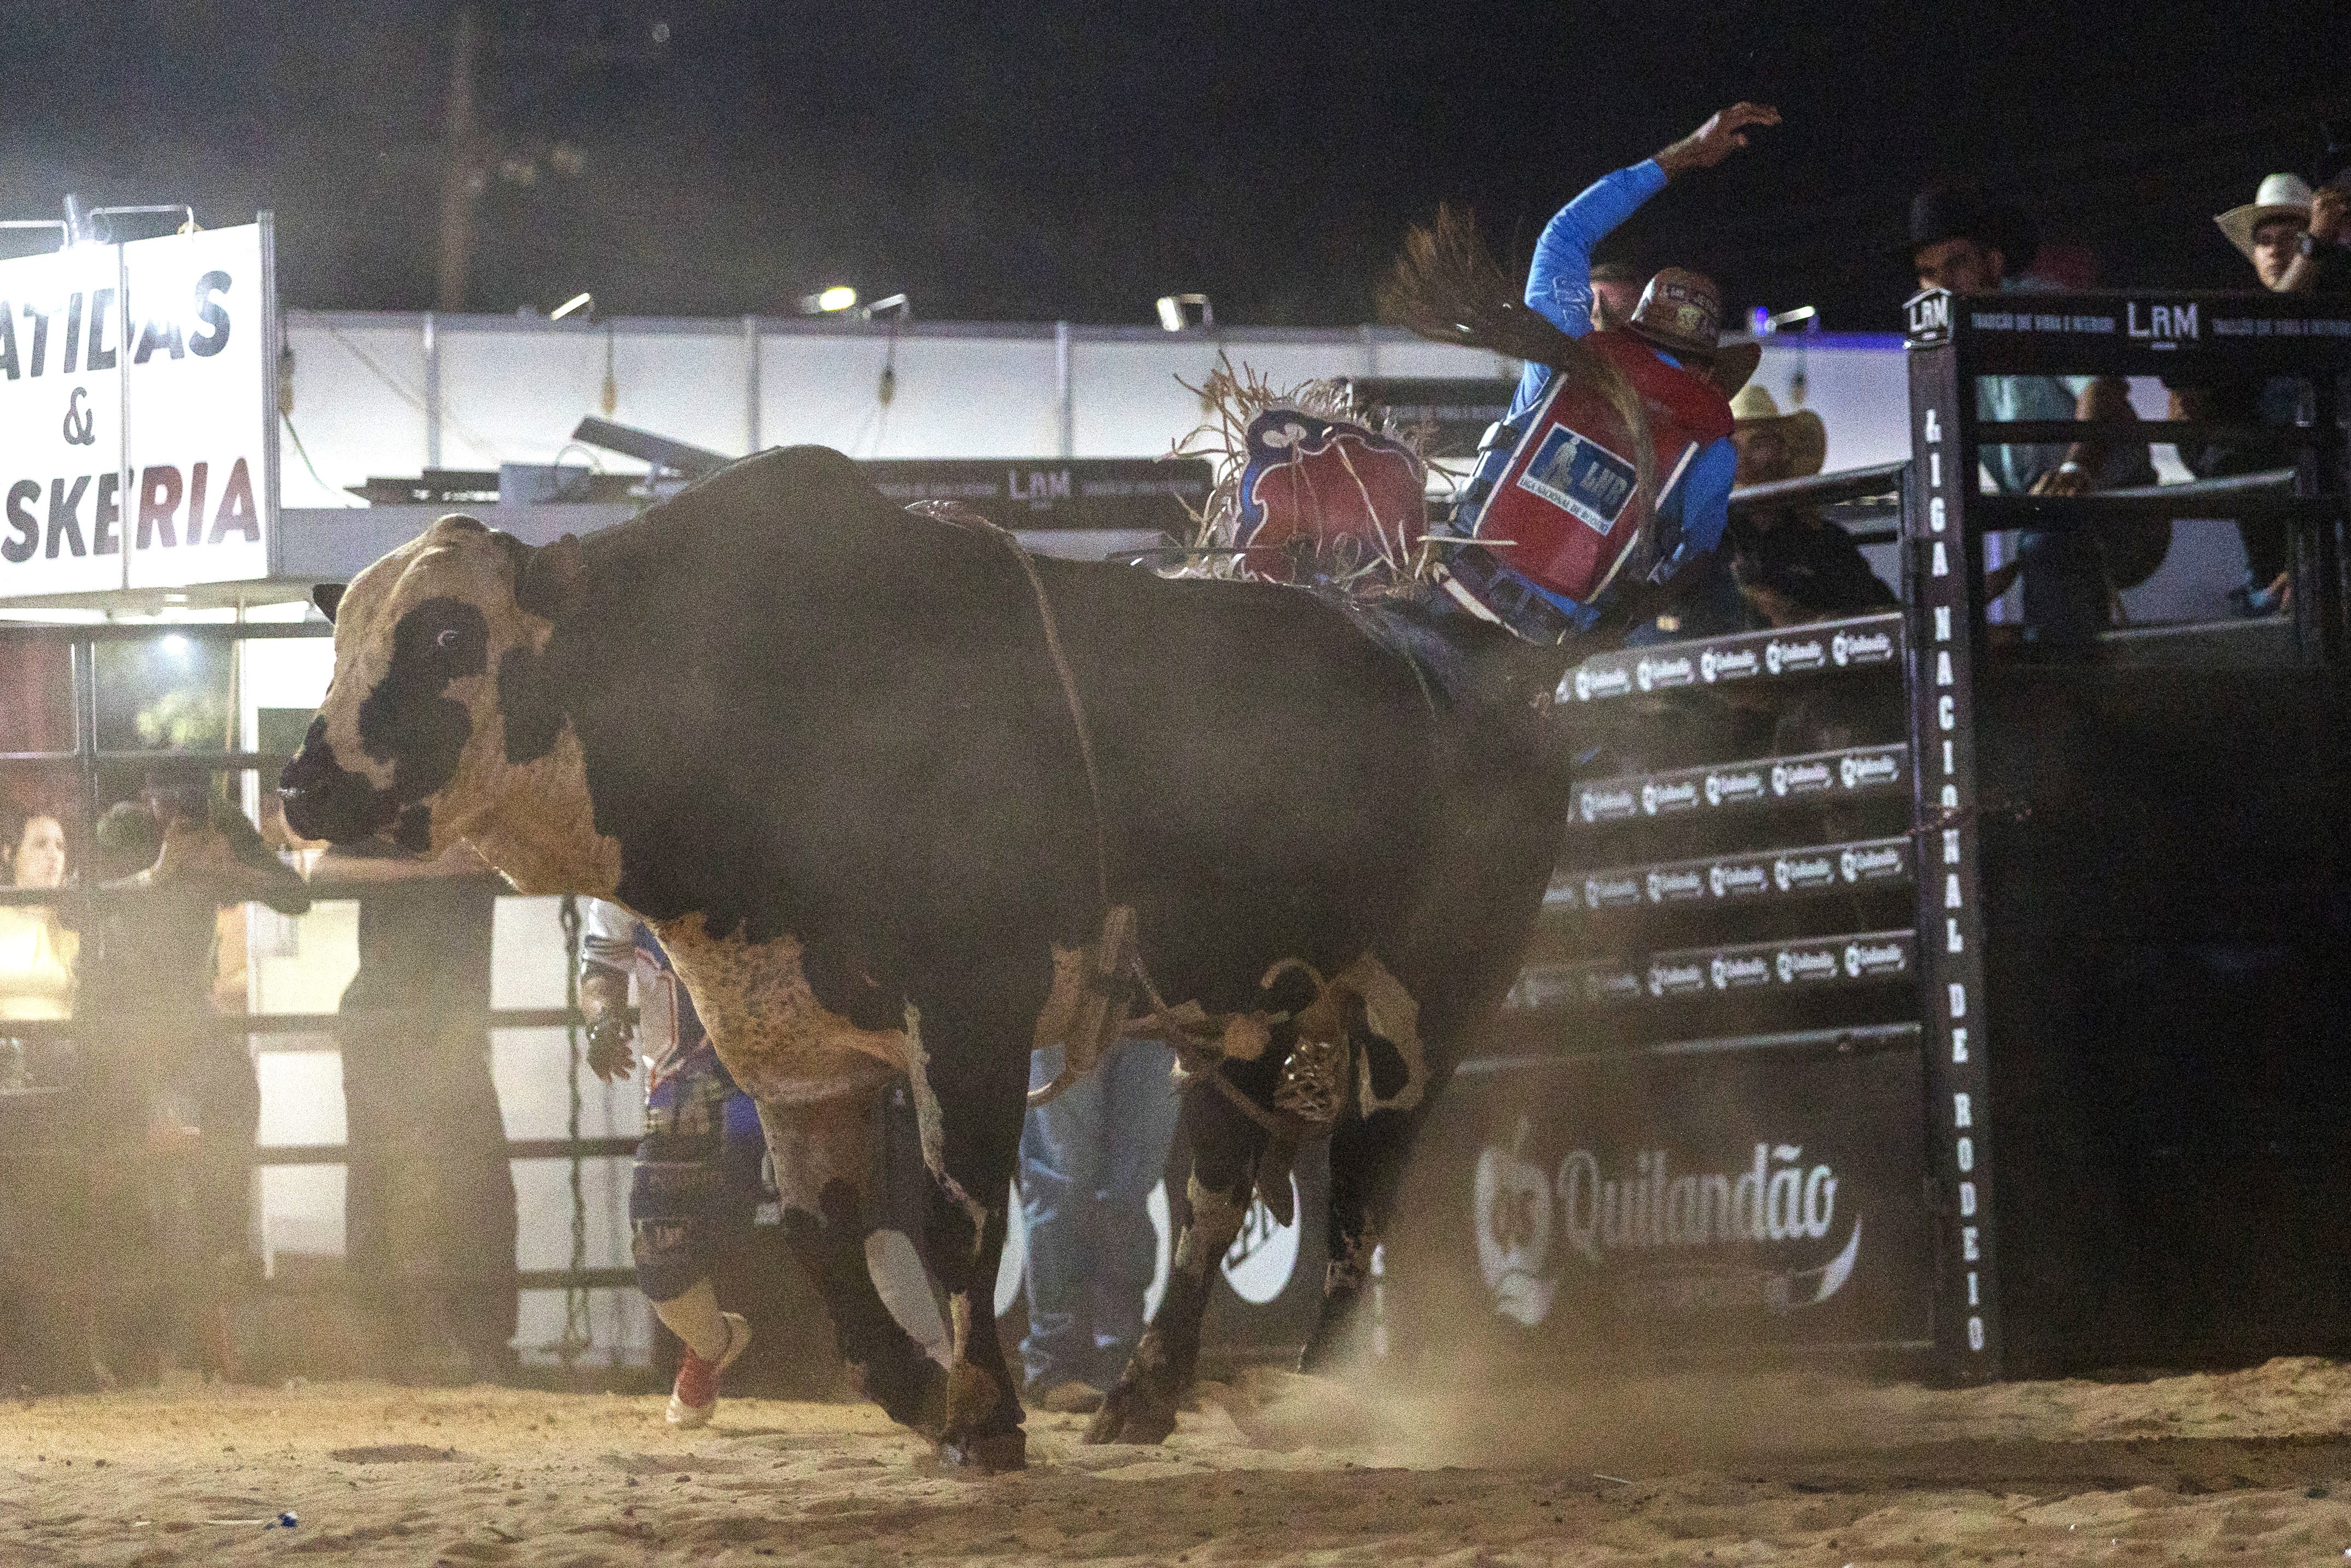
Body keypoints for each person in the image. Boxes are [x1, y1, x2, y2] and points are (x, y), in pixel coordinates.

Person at [1435, 102, 1778, 643]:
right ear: (1708, 370)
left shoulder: (1569, 353)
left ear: (1635, 328)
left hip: (1454, 588)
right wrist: (1595, 641)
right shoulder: (1711, 446)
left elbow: (1565, 235)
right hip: (1544, 642)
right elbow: (1690, 563)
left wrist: (1682, 156)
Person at [77, 774, 312, 1380]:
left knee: (235, 1094)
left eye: (189, 799)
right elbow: (82, 903)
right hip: (122, 1016)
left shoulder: (221, 825)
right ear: (151, 797)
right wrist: (161, 873)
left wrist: (229, 872)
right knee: (129, 1162)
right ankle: (135, 1337)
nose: (177, 811)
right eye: (169, 798)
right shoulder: (123, 825)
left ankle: (219, 1251)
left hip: (185, 1014)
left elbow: (292, 895)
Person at [1906, 184, 2157, 642]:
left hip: (2121, 505)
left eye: (1957, 263)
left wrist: (2076, 467)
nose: (1940, 285)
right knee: (2026, 554)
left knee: (2046, 548)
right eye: (1927, 273)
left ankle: (2069, 692)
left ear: (1993, 262)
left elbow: (2099, 388)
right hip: (2048, 518)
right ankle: (2075, 685)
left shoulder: (2038, 304)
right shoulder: (1945, 349)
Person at [312, 837, 518, 1383]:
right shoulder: (395, 806)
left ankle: (477, 1341)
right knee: (388, 1176)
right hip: (391, 1017)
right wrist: (430, 868)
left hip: (444, 1019)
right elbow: (324, 871)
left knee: (477, 1183)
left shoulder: (480, 813)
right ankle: (395, 1344)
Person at [580, 898, 762, 1425]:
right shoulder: (616, 883)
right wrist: (603, 1021)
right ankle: (711, 1344)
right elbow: (600, 972)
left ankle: (933, 1364)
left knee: (845, 1219)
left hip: (779, 1070)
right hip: (681, 1086)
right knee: (659, 1257)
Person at [2180, 172, 2351, 614]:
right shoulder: (2233, 323)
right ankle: (2272, 585)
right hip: (2280, 515)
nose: (2276, 248)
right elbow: (2205, 444)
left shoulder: (2340, 305)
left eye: (2293, 236)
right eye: (2265, 240)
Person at [1017, 1035, 1181, 1413]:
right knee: (1061, 1182)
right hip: (1073, 1007)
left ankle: (1119, 1360)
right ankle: (1056, 1364)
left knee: (1128, 1189)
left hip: (1152, 1017)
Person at [1724, 384, 1897, 626]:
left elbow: (1883, 617)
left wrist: (1807, 621)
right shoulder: (1707, 544)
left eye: (1759, 444)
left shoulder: (1826, 543)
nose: (1743, 460)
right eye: (1731, 448)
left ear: (1784, 452)